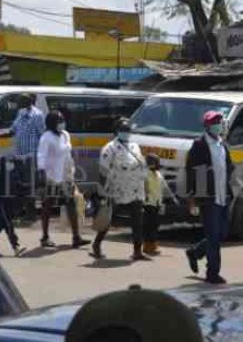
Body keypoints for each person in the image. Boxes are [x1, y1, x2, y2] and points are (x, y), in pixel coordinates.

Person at [185, 111, 234, 284]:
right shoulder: (199, 145)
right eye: (215, 123)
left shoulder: (222, 144)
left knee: (221, 233)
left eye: (220, 122)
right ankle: (212, 273)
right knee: (213, 235)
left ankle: (195, 252)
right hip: (208, 197)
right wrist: (192, 196)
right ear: (207, 126)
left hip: (223, 195)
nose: (218, 125)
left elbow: (229, 167)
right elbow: (191, 171)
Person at [91, 118, 149, 260]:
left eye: (128, 130)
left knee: (137, 220)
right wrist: (102, 191)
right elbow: (103, 170)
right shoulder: (109, 148)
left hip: (135, 189)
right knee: (107, 218)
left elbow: (141, 163)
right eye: (123, 130)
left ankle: (137, 251)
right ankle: (96, 244)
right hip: (116, 189)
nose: (126, 132)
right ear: (116, 131)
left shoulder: (135, 146)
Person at [36, 110, 90, 249]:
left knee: (71, 203)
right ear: (52, 123)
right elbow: (41, 156)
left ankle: (76, 237)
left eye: (62, 120)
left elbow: (68, 153)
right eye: (59, 120)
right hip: (52, 176)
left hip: (66, 175)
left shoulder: (65, 135)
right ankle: (45, 236)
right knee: (48, 205)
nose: (62, 123)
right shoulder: (46, 137)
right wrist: (41, 175)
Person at [0, 155, 26, 257]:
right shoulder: (2, 173)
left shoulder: (14, 174)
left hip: (5, 201)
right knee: (7, 224)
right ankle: (16, 247)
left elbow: (19, 186)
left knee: (0, 224)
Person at [11, 93, 45, 193]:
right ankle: (21, 206)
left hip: (31, 155)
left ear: (28, 103)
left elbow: (41, 133)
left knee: (30, 183)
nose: (18, 105)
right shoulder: (20, 112)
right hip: (19, 155)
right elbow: (14, 128)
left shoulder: (37, 115)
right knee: (20, 183)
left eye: (21, 102)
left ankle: (31, 206)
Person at [143, 153, 166, 256]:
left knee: (155, 225)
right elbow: (143, 187)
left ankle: (152, 246)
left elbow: (162, 188)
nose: (154, 165)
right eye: (152, 162)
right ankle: (149, 247)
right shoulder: (145, 174)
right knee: (149, 226)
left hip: (157, 203)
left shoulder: (159, 174)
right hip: (148, 203)